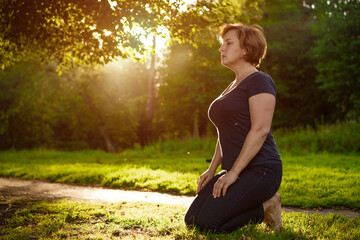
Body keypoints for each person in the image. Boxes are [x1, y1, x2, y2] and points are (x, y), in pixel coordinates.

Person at [184, 23, 283, 233]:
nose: (221, 49)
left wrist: (234, 172)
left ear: (246, 49)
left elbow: (260, 130)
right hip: (234, 170)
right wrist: (212, 170)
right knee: (192, 220)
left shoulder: (260, 81)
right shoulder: (233, 85)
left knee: (208, 225)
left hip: (261, 170)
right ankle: (252, 203)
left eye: (228, 43)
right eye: (222, 44)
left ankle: (267, 206)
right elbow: (224, 132)